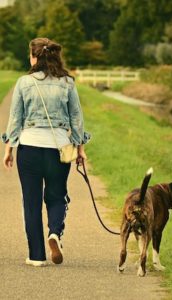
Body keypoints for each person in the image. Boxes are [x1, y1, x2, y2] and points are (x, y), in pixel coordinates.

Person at [2, 37, 90, 267]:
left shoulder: (23, 82)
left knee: (31, 202)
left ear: (34, 57)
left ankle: (36, 256)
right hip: (60, 148)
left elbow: (15, 119)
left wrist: (8, 149)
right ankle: (55, 233)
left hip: (29, 147)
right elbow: (77, 119)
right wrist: (80, 148)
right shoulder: (68, 83)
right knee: (57, 195)